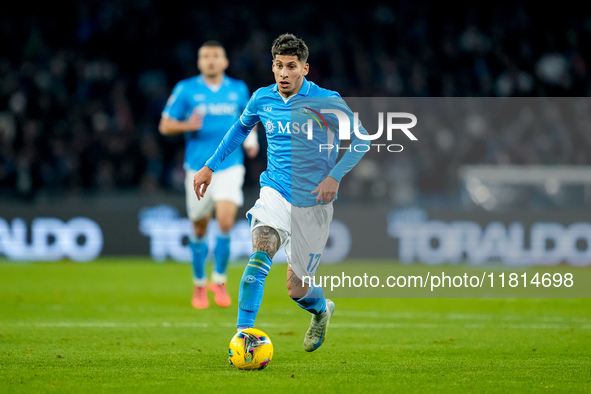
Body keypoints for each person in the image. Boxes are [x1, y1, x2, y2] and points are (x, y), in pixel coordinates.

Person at [193, 33, 369, 351]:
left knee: (296, 289)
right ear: (272, 67)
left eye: (291, 66)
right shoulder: (262, 98)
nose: (284, 73)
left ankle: (320, 312)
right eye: (278, 65)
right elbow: (240, 129)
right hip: (274, 192)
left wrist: (335, 177)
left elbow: (362, 139)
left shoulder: (326, 101)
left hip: (313, 202)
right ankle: (242, 338)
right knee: (257, 261)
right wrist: (210, 165)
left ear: (305, 69)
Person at [159, 40, 259, 309]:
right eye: (206, 56)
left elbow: (249, 119)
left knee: (225, 221)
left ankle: (219, 280)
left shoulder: (238, 89)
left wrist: (252, 142)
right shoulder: (186, 89)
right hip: (197, 167)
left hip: (230, 165)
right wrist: (186, 125)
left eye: (216, 56)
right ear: (199, 62)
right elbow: (165, 125)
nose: (211, 60)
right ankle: (199, 283)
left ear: (225, 61)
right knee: (199, 226)